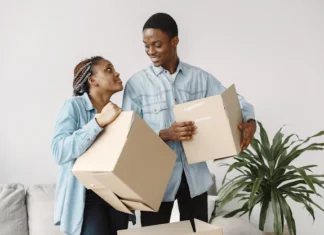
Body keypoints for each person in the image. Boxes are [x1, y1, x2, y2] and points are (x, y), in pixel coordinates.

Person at [122, 13, 257, 227]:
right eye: (146, 46)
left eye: (156, 45)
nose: (150, 52)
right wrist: (165, 134)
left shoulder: (200, 78)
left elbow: (233, 101)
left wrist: (250, 121)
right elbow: (127, 135)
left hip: (195, 179)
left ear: (174, 41)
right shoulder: (136, 85)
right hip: (156, 182)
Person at [51, 56, 129, 235]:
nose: (116, 73)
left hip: (117, 196)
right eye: (108, 69)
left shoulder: (118, 113)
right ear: (92, 80)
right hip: (86, 198)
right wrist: (98, 122)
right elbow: (59, 151)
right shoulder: (73, 107)